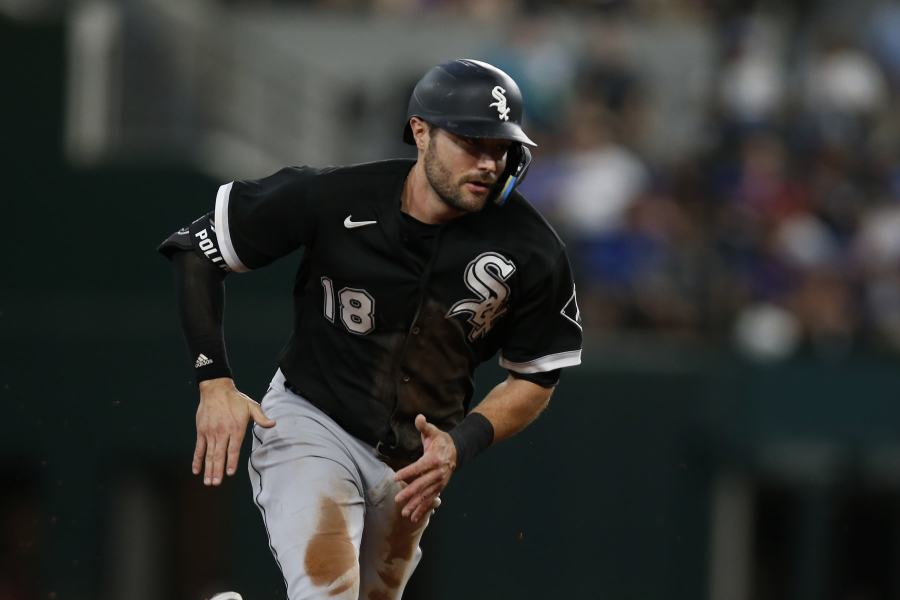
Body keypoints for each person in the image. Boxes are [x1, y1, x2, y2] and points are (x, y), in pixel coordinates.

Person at [159, 58, 583, 600]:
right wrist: (213, 380)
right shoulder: (338, 196)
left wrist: (462, 443)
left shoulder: (533, 249)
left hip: (412, 465)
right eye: (471, 143)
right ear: (421, 132)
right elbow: (195, 250)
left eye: (500, 148)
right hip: (314, 420)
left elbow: (535, 377)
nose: (488, 162)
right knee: (328, 592)